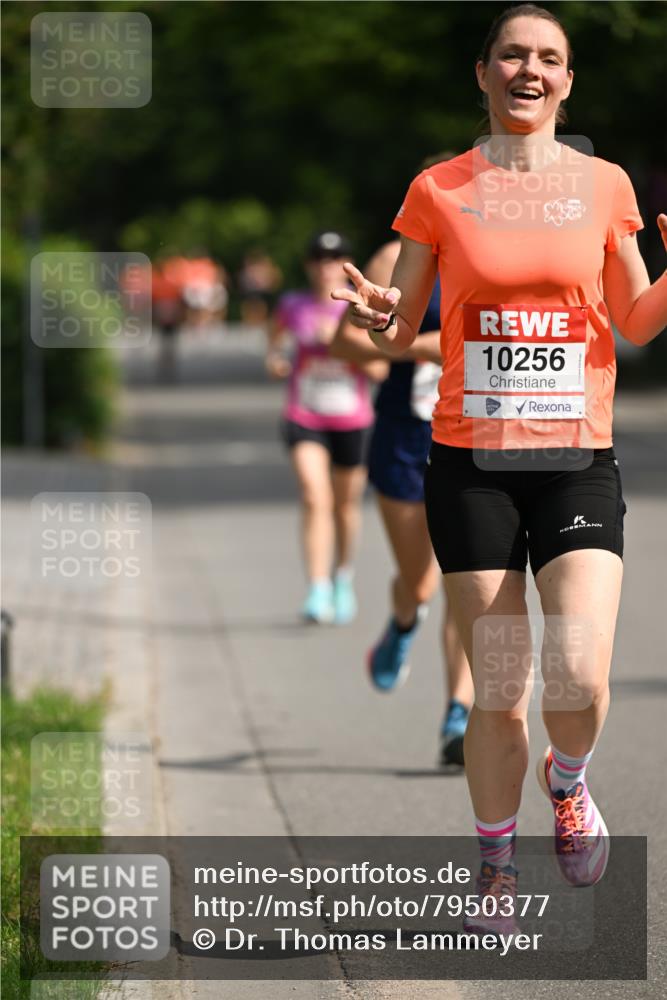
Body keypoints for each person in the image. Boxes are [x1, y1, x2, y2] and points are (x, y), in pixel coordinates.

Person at [333, 3, 667, 938]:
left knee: (579, 672)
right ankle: (491, 868)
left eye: (548, 58)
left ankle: (569, 781)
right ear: (481, 73)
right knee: (501, 683)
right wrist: (375, 314)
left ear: (568, 82)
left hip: (574, 461)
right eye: (511, 54)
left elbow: (635, 320)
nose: (529, 69)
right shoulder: (439, 187)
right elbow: (398, 324)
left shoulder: (602, 186)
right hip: (471, 465)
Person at [330, 235, 473, 766]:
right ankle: (403, 623)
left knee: (467, 580)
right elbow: (341, 343)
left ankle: (458, 714)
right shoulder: (391, 260)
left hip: (475, 431)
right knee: (419, 579)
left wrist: (404, 340)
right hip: (406, 438)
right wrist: (409, 341)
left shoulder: (495, 251)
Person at [267, 231, 383, 625]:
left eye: (334, 259)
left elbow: (380, 368)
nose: (326, 267)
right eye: (318, 259)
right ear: (308, 265)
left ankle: (342, 578)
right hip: (305, 415)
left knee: (345, 505)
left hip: (352, 418)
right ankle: (316, 587)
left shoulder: (360, 308)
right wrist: (275, 361)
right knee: (315, 497)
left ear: (347, 265)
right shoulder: (292, 304)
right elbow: (275, 343)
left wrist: (342, 349)